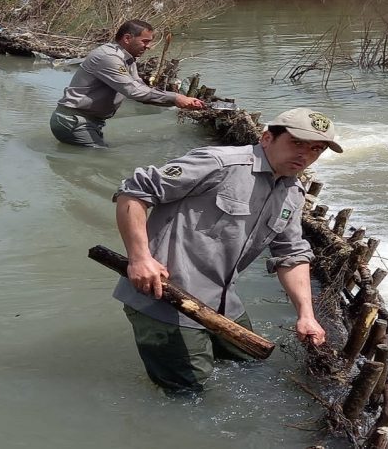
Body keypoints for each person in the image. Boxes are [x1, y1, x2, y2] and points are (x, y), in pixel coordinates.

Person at [112, 107, 343, 391]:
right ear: (267, 138)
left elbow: (291, 254)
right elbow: (133, 193)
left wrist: (306, 314)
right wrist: (139, 258)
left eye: (316, 149)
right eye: (297, 143)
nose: (305, 155)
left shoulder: (291, 193)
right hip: (166, 298)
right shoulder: (218, 164)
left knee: (251, 364)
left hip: (222, 300)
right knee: (188, 391)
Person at [50, 19, 204, 148]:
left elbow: (140, 89)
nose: (149, 46)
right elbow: (133, 91)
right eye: (145, 41)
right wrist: (175, 98)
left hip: (86, 121)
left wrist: (175, 101)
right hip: (74, 121)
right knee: (99, 161)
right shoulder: (108, 57)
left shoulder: (127, 59)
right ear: (127, 38)